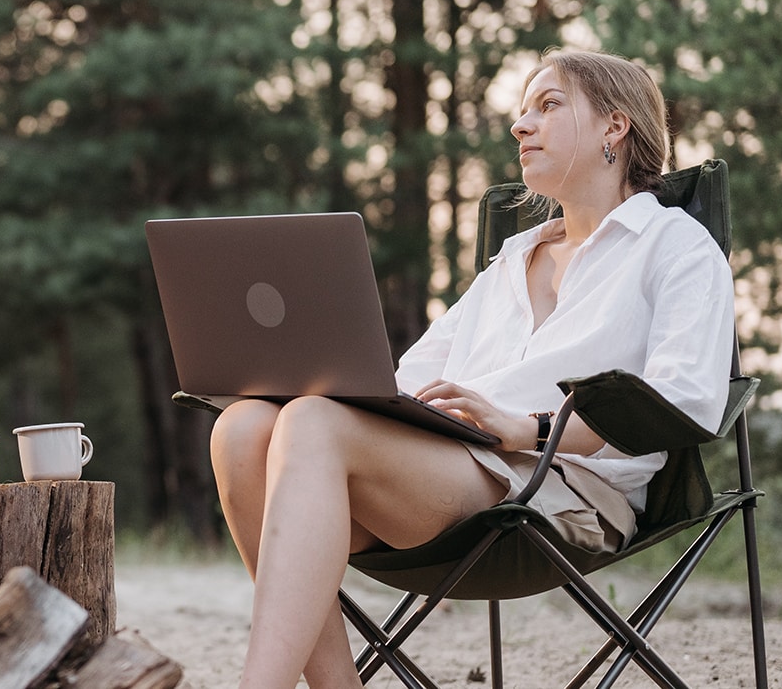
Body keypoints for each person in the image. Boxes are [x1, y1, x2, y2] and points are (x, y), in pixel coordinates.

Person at [208, 49, 735, 688]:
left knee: (314, 424)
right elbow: (401, 382)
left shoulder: (674, 246)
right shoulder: (509, 264)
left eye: (548, 105)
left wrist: (526, 428)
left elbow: (687, 401)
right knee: (242, 429)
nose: (519, 126)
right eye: (520, 111)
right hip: (452, 469)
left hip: (563, 492)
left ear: (614, 128)